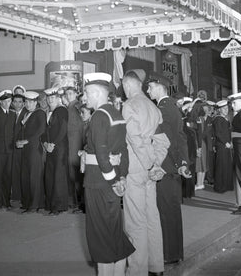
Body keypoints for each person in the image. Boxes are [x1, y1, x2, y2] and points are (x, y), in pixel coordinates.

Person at [83, 72, 135, 276]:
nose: (85, 98)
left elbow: (102, 154)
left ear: (96, 93)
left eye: (87, 93)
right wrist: (121, 177)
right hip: (113, 181)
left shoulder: (98, 116)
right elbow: (123, 151)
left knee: (100, 236)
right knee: (113, 232)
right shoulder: (116, 114)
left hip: (98, 182)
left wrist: (113, 179)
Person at [121, 69, 169, 276]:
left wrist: (150, 165)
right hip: (151, 171)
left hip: (135, 169)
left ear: (127, 85)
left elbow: (135, 140)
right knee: (152, 217)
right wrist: (156, 164)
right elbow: (162, 141)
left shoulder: (129, 106)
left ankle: (137, 271)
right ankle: (156, 267)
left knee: (135, 222)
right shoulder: (153, 107)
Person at [146, 72, 191, 265]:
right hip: (172, 165)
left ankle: (168, 254)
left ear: (159, 87)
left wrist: (173, 164)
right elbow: (180, 137)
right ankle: (173, 252)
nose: (148, 91)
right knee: (170, 209)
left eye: (150, 87)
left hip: (165, 166)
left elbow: (167, 141)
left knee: (165, 211)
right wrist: (182, 163)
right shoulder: (170, 106)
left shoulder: (163, 109)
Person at [18, 91, 46, 212]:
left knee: (34, 178)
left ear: (36, 102)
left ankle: (34, 205)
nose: (28, 104)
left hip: (34, 149)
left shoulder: (40, 113)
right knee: (26, 176)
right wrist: (19, 141)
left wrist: (26, 141)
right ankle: (27, 203)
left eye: (30, 102)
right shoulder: (27, 114)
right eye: (26, 102)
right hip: (26, 150)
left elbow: (41, 130)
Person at [43, 87, 69, 215]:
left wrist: (53, 144)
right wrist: (46, 144)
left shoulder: (61, 110)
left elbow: (63, 130)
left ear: (58, 98)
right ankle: (51, 204)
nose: (50, 100)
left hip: (59, 148)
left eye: (52, 98)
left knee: (58, 177)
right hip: (50, 148)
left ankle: (58, 206)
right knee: (50, 176)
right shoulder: (49, 111)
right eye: (48, 98)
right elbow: (46, 131)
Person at [64, 86, 85, 212]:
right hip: (70, 144)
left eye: (71, 93)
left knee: (76, 174)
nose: (68, 96)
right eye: (67, 94)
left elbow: (82, 126)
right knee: (72, 173)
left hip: (75, 144)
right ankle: (75, 202)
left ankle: (79, 203)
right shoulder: (70, 107)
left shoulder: (77, 107)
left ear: (76, 94)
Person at [212, 100, 234, 193]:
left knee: (227, 166)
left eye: (227, 109)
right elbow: (218, 133)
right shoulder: (218, 119)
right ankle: (220, 187)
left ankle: (227, 185)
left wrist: (231, 142)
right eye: (224, 109)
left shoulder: (225, 119)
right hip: (222, 145)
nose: (226, 110)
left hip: (227, 145)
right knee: (221, 166)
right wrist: (226, 143)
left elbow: (228, 132)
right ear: (220, 110)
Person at [10, 92, 27, 206]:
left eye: (20, 102)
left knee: (22, 172)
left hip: (22, 148)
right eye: (15, 102)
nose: (17, 104)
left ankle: (22, 196)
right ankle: (16, 196)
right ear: (12, 103)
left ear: (24, 103)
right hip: (11, 148)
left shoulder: (26, 114)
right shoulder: (10, 114)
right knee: (14, 172)